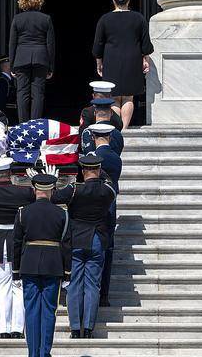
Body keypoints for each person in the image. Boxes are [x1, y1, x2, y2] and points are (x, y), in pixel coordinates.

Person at [52, 154, 116, 338]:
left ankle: (75, 328)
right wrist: (100, 172)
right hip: (97, 239)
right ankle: (88, 328)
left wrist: (56, 183)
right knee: (92, 285)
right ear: (98, 170)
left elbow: (54, 197)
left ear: (82, 170)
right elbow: (110, 183)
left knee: (74, 284)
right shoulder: (107, 190)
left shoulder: (74, 189)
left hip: (77, 240)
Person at [13, 172, 72, 357]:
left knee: (31, 310)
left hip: (29, 265)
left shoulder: (23, 212)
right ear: (53, 191)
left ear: (34, 189)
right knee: (48, 312)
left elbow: (16, 243)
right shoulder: (62, 214)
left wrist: (15, 271)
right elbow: (67, 245)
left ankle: (33, 353)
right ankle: (44, 352)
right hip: (53, 266)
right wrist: (67, 272)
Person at [0, 156, 35, 339]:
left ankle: (3, 328)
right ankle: (18, 328)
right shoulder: (23, 192)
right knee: (18, 285)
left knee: (1, 286)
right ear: (10, 173)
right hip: (18, 241)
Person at [92, 0, 154, 129]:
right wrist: (146, 59)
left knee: (113, 97)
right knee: (128, 97)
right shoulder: (138, 18)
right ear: (128, 0)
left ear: (113, 1)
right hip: (132, 60)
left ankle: (115, 128)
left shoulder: (105, 19)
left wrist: (99, 62)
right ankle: (124, 129)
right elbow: (145, 43)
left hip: (111, 60)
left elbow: (98, 44)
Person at [88, 124, 122, 307]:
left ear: (93, 137)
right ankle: (104, 294)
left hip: (95, 205)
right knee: (108, 248)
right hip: (111, 204)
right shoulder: (116, 158)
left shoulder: (93, 158)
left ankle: (93, 288)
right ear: (110, 137)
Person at [9, 0, 55, 122]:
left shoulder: (17, 19)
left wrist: (12, 65)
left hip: (21, 58)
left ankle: (23, 124)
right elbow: (50, 45)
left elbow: (12, 44)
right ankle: (35, 123)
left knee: (22, 93)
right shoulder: (46, 19)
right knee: (38, 94)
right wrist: (51, 67)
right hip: (41, 58)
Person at [0, 58, 19, 126]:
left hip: (12, 114)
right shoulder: (2, 81)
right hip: (7, 114)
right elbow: (0, 101)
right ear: (5, 66)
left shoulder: (9, 80)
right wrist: (1, 116)